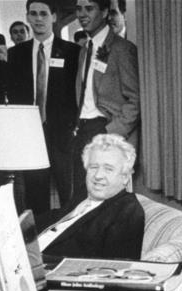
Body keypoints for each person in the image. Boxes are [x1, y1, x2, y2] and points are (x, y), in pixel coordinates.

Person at [6, 1, 79, 219]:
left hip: (62, 133)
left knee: (69, 191)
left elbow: (77, 94)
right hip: (30, 134)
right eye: (33, 14)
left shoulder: (72, 52)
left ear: (54, 17)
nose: (38, 19)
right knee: (35, 193)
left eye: (44, 14)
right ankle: (39, 241)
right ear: (27, 17)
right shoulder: (16, 54)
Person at [35, 133, 144, 263]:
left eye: (108, 169)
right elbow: (57, 216)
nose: (98, 175)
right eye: (93, 167)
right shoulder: (84, 193)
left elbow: (113, 269)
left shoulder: (127, 212)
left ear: (125, 177)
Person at [71, 0, 140, 192]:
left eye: (89, 8)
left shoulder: (122, 49)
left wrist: (113, 133)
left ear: (104, 12)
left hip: (105, 128)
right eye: (79, 9)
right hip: (82, 130)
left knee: (102, 196)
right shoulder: (84, 49)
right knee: (80, 194)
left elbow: (135, 99)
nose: (82, 14)